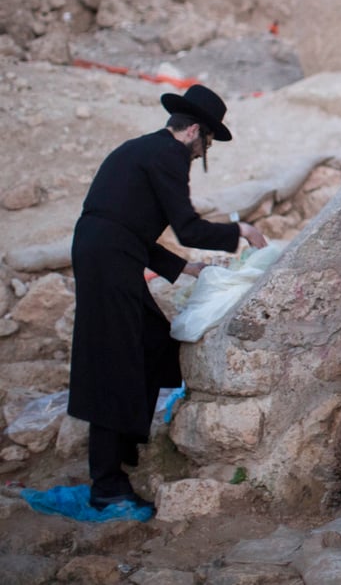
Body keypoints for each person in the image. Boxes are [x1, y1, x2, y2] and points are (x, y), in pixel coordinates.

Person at [68, 84, 268, 512]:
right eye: (207, 141)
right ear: (193, 130)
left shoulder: (150, 151)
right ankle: (107, 483)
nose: (203, 151)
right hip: (108, 258)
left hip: (111, 251)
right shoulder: (169, 157)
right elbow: (189, 229)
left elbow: (132, 225)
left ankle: (126, 448)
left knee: (153, 340)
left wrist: (186, 269)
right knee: (114, 360)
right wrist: (241, 231)